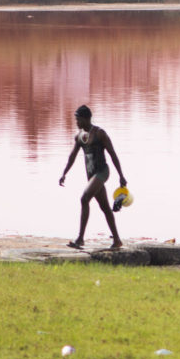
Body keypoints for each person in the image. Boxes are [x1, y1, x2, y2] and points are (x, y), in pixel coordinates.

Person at [59, 105, 127, 250]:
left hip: (102, 172)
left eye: (78, 119)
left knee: (84, 198)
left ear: (86, 118)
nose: (76, 122)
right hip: (91, 175)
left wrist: (121, 175)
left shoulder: (100, 133)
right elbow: (72, 156)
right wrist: (64, 173)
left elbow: (112, 154)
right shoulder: (79, 136)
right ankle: (117, 240)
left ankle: (80, 239)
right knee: (105, 208)